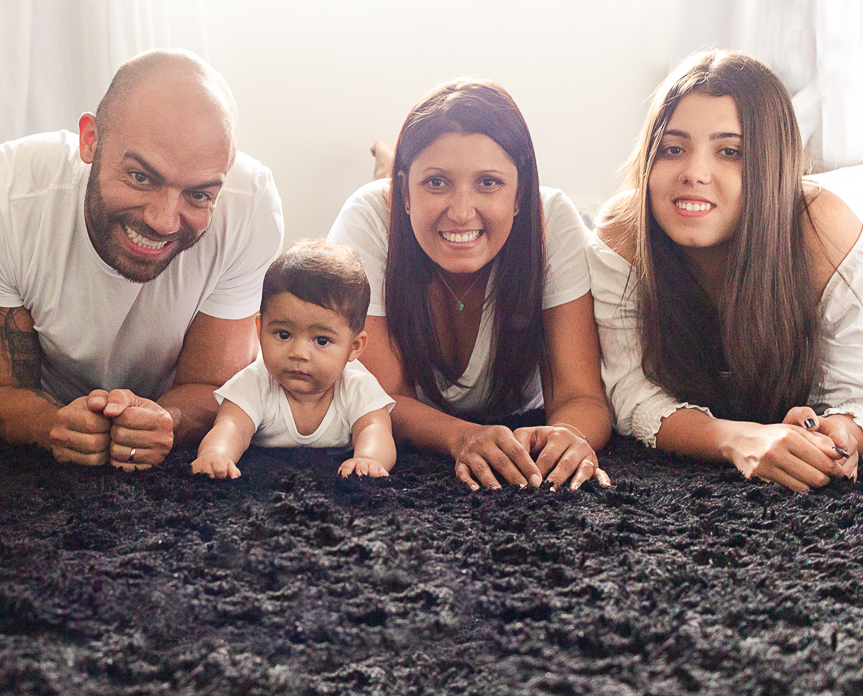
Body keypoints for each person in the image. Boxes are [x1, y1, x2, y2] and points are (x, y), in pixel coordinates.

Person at [0, 49, 284, 469]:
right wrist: (50, 425)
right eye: (141, 177)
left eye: (198, 195)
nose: (163, 221)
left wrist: (166, 421)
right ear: (90, 140)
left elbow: (214, 385)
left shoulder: (250, 206)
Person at [588, 50, 863, 492]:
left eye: (730, 152)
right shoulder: (623, 232)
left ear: (771, 166)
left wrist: (840, 430)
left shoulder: (823, 228)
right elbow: (631, 393)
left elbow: (854, 391)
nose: (695, 173)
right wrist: (739, 439)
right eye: (673, 149)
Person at [327, 80, 611, 491]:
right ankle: (388, 166)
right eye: (436, 182)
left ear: (520, 192)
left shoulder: (553, 221)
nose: (461, 212)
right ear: (403, 191)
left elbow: (581, 396)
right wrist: (461, 436)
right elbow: (379, 399)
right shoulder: (366, 219)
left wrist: (567, 436)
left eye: (489, 182)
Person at [192, 240, 396, 479]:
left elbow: (375, 428)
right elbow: (232, 426)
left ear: (354, 347)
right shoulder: (256, 381)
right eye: (283, 335)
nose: (299, 353)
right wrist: (217, 453)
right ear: (260, 329)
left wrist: (369, 459)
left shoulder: (357, 385)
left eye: (321, 340)